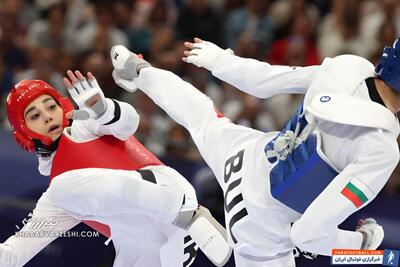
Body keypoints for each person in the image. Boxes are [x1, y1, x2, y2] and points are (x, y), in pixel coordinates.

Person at [110, 37, 400, 267]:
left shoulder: (348, 66)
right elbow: (307, 236)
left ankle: (139, 71)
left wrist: (219, 60)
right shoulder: (380, 149)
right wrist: (360, 244)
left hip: (246, 155)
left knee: (200, 115)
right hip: (262, 227)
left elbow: (262, 81)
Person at [1, 70, 231, 267]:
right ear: (24, 131)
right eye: (35, 116)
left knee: (61, 187)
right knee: (60, 191)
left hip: (167, 194)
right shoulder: (55, 200)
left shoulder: (85, 124)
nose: (48, 116)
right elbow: (14, 255)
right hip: (146, 243)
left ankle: (185, 212)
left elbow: (129, 122)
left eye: (51, 106)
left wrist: (103, 109)